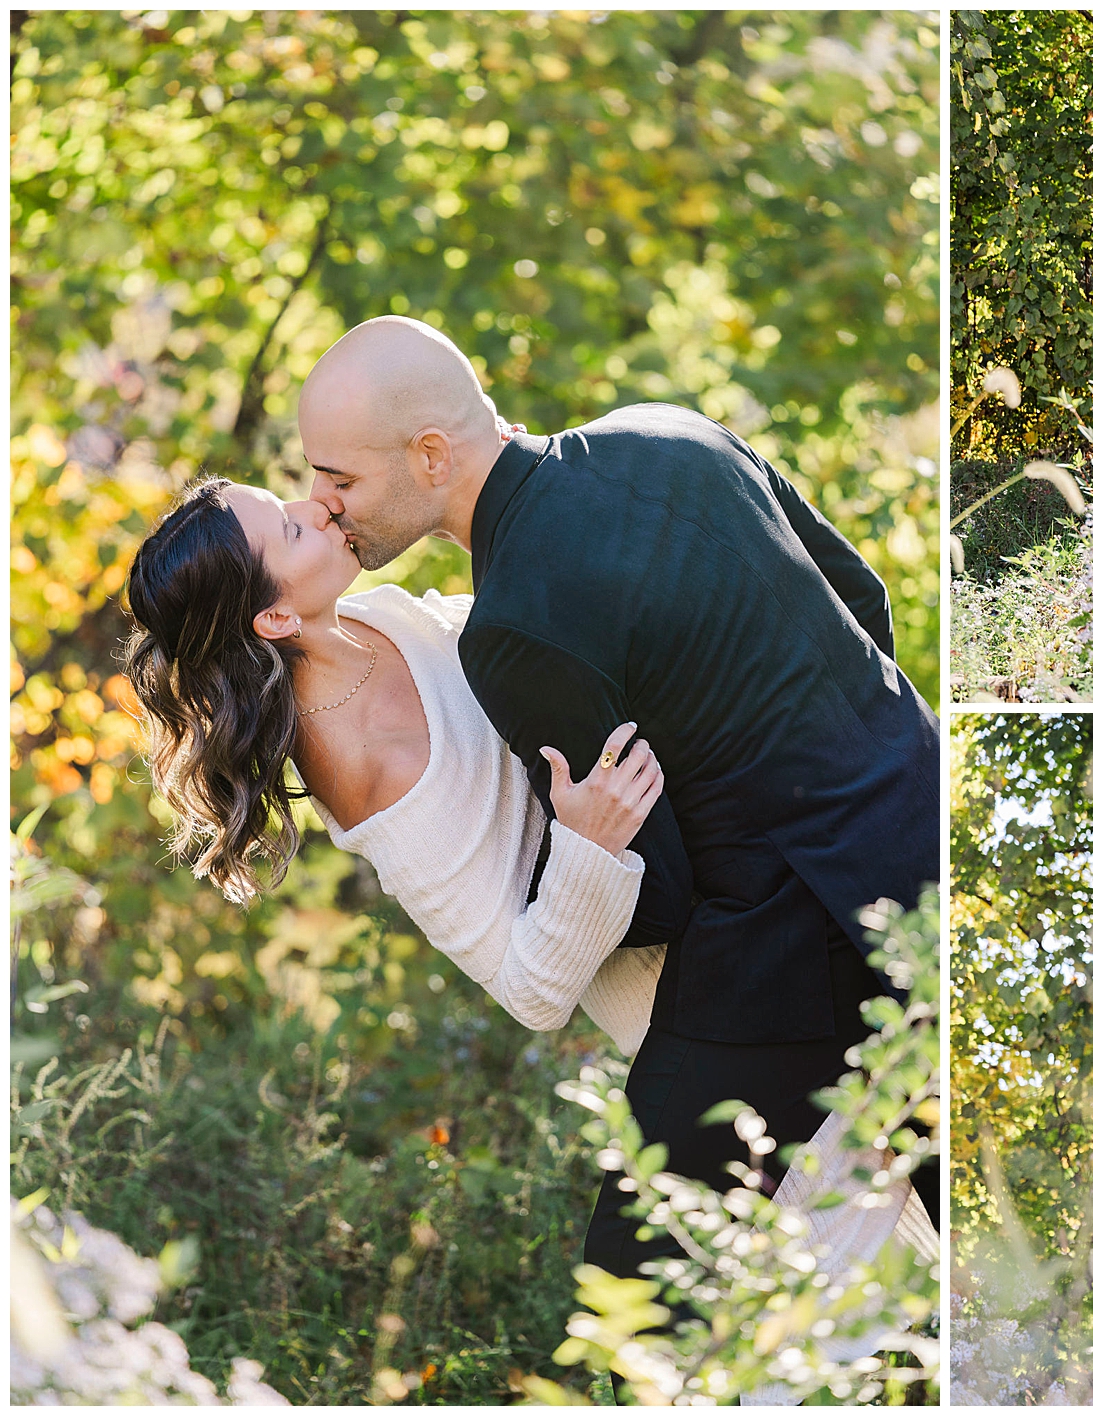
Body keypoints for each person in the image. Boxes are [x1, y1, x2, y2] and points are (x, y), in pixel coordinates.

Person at [121, 483, 937, 1291]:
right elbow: (531, 990)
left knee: (932, 1159)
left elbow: (521, 641)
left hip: (756, 885)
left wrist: (487, 486)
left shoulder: (375, 622)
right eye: (291, 533)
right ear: (274, 619)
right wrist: (588, 842)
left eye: (292, 501)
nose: (318, 510)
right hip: (699, 990)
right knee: (839, 1278)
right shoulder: (370, 779)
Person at [293, 316, 941, 1279]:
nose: (323, 502)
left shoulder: (513, 629)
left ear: (430, 455)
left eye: (338, 478)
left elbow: (659, 890)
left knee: (634, 1282)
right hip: (930, 818)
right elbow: (863, 598)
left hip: (788, 949)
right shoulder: (674, 432)